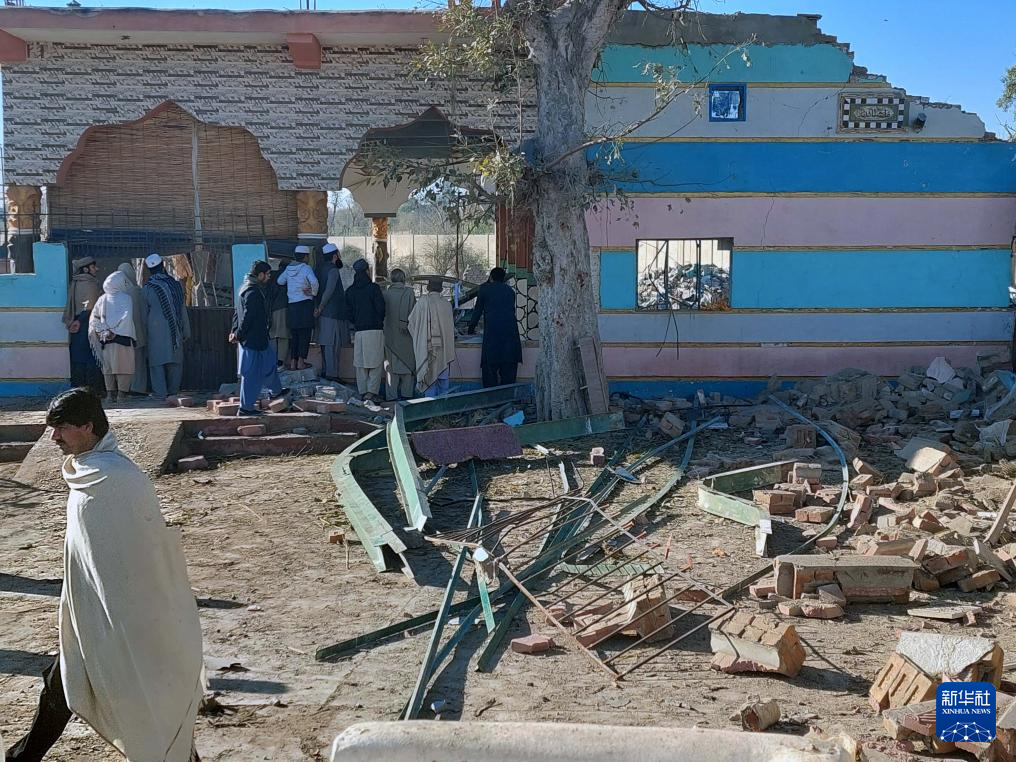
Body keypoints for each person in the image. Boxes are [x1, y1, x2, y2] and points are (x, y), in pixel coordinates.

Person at [5, 388, 203, 762]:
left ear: (87, 426)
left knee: (142, 694)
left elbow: (146, 554)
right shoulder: (85, 472)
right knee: (62, 684)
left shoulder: (120, 479)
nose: (54, 437)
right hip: (91, 611)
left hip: (128, 619)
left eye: (61, 428)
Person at [230, 260, 287, 416]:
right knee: (251, 375)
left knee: (269, 365)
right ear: (260, 275)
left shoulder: (244, 288)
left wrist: (234, 331)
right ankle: (245, 408)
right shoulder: (253, 292)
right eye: (267, 274)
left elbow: (236, 313)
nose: (269, 277)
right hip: (252, 341)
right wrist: (238, 334)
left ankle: (275, 391)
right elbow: (247, 317)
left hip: (260, 339)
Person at [143, 253, 190, 400]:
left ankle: (160, 393)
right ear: (163, 266)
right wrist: (186, 330)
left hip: (155, 332)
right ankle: (173, 392)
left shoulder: (148, 288)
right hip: (175, 330)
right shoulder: (175, 285)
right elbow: (182, 309)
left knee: (157, 363)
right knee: (175, 362)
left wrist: (143, 333)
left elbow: (143, 313)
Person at [468, 267, 523, 387]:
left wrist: (470, 329)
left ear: (491, 277)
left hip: (492, 337)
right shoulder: (510, 291)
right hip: (511, 337)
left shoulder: (484, 290)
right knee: (509, 376)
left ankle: (491, 397)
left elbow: (477, 311)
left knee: (489, 374)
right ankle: (507, 397)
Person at [88, 270, 137, 404]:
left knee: (108, 368)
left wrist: (104, 331)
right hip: (123, 339)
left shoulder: (102, 299)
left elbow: (94, 319)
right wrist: (115, 332)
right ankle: (121, 395)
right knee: (124, 367)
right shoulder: (126, 298)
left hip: (106, 340)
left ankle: (110, 395)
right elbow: (127, 317)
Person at [344, 258, 386, 401]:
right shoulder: (374, 288)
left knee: (360, 364)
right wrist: (379, 320)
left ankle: (362, 391)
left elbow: (347, 312)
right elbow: (381, 308)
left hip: (359, 332)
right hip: (375, 330)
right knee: (376, 363)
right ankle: (371, 393)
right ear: (367, 271)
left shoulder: (350, 291)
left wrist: (356, 321)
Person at [409, 276, 457, 397]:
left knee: (429, 381)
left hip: (426, 350)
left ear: (428, 287)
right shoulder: (446, 305)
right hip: (443, 352)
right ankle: (444, 407)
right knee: (443, 383)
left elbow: (411, 324)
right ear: (441, 289)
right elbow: (450, 329)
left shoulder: (422, 302)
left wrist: (420, 338)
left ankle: (430, 406)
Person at [277, 244, 319, 371]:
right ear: (305, 257)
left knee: (294, 335)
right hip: (305, 305)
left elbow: (280, 281)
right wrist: (313, 292)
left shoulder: (288, 269)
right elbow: (315, 282)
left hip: (292, 306)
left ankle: (293, 363)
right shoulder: (306, 268)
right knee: (305, 334)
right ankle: (301, 362)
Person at [313, 243, 349, 382]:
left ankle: (326, 371)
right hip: (331, 313)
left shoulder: (318, 269)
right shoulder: (333, 270)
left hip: (322, 313)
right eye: (338, 254)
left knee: (325, 344)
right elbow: (329, 291)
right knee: (332, 345)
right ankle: (332, 374)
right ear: (335, 256)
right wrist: (321, 307)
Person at [382, 268, 416, 401]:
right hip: (407, 337)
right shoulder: (410, 293)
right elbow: (415, 316)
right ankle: (407, 397)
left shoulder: (385, 294)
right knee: (408, 367)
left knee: (391, 368)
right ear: (403, 279)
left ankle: (391, 398)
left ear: (391, 279)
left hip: (390, 337)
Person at [117, 261, 148, 394]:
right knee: (139, 363)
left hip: (124, 335)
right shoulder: (138, 291)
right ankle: (138, 388)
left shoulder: (117, 294)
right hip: (139, 333)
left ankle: (126, 388)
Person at [68, 299, 102, 394]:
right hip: (82, 326)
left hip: (87, 326)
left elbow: (91, 305)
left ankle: (90, 389)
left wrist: (80, 319)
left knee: (88, 360)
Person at [63, 256, 100, 334]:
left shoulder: (77, 282)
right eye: (93, 267)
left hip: (77, 320)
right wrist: (80, 320)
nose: (97, 269)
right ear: (85, 269)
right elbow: (90, 306)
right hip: (85, 321)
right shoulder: (89, 284)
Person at [268, 261, 290, 368]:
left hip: (271, 308)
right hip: (283, 307)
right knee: (283, 336)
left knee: (272, 335)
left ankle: (271, 360)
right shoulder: (287, 276)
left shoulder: (271, 275)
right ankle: (280, 361)